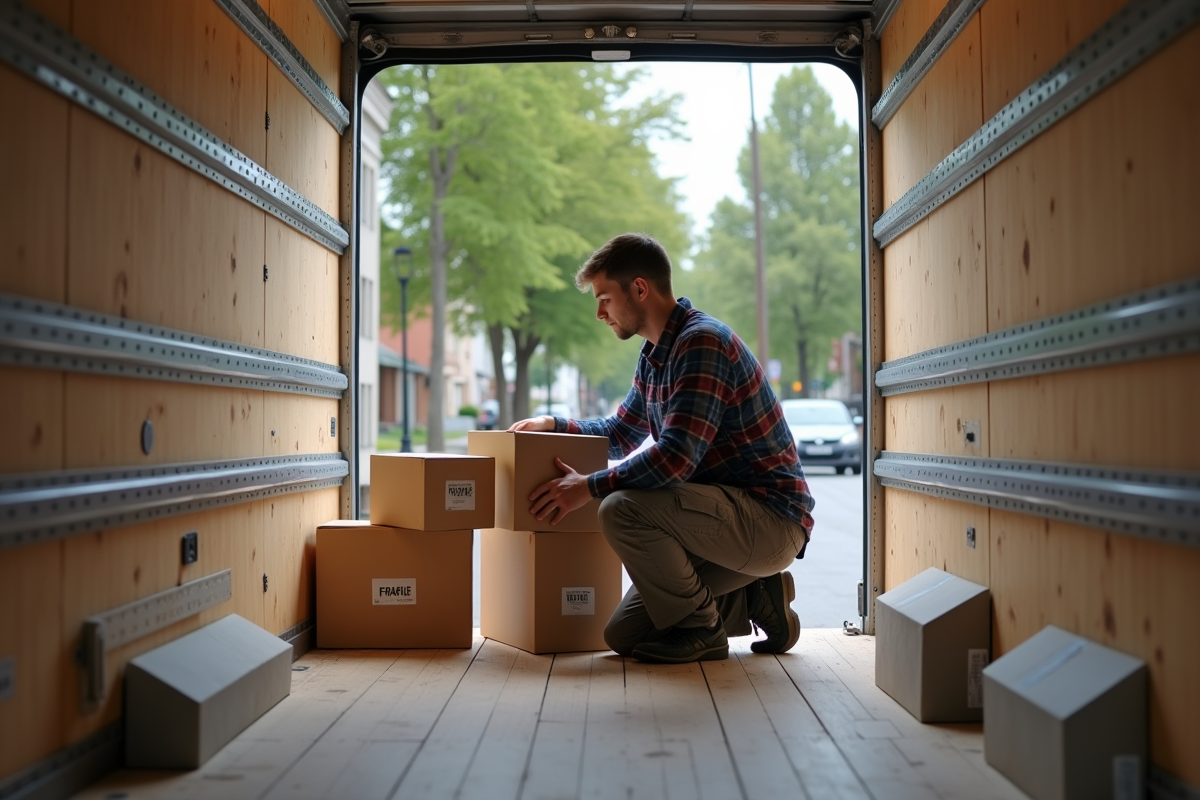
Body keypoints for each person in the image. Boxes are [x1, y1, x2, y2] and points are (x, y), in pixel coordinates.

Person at [509, 232, 815, 664]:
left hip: (770, 520)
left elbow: (674, 459)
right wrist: (554, 424)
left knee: (619, 508)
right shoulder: (655, 354)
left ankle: (705, 632)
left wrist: (587, 487)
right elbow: (620, 433)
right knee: (624, 634)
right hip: (722, 523)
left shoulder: (702, 342)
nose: (599, 313)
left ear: (639, 288)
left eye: (604, 299)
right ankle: (758, 596)